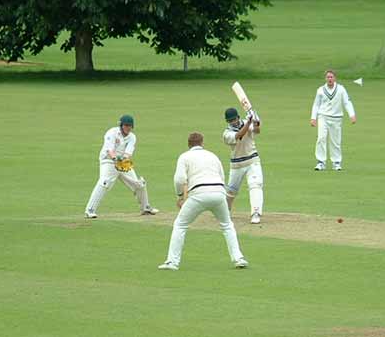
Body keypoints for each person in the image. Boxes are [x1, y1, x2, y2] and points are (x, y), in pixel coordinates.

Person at [158, 132, 248, 271]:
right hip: (219, 193)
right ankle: (238, 258)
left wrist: (180, 196)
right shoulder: (212, 155)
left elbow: (179, 179)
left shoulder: (184, 156)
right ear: (202, 143)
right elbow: (222, 176)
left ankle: (172, 262)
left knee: (180, 224)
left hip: (198, 194)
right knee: (227, 225)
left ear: (189, 144)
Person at [84, 114, 158, 218]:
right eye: (126, 125)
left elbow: (128, 153)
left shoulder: (132, 137)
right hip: (108, 161)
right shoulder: (112, 132)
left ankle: (145, 208)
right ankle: (90, 210)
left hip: (122, 163)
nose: (128, 128)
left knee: (139, 184)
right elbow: (109, 150)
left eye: (130, 126)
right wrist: (115, 159)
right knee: (104, 183)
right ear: (121, 125)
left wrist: (124, 160)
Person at [222, 107, 264, 224]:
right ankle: (225, 212)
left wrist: (256, 122)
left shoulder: (246, 122)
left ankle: (256, 213)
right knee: (231, 192)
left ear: (238, 117)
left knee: (255, 185)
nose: (233, 122)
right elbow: (239, 135)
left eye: (234, 119)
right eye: (230, 121)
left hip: (252, 160)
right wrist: (250, 122)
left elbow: (256, 131)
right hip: (237, 164)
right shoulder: (226, 134)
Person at [310, 70, 357, 171]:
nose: (329, 79)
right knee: (321, 138)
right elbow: (316, 105)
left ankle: (336, 162)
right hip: (323, 116)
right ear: (325, 78)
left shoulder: (341, 89)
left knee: (335, 141)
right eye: (328, 77)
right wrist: (313, 118)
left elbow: (347, 102)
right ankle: (321, 162)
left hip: (337, 118)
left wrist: (352, 115)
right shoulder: (320, 90)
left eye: (331, 77)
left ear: (335, 78)